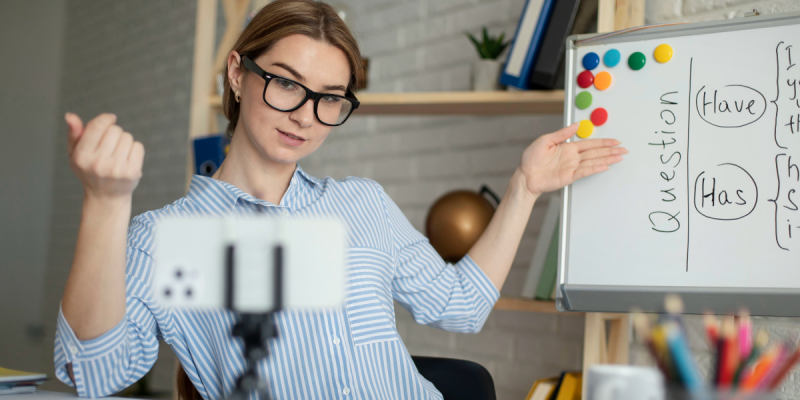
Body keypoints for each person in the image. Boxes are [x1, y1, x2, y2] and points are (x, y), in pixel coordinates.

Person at [55, 0, 627, 398]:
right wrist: (105, 204)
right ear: (237, 73)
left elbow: (460, 305)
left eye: (331, 98)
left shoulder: (362, 206)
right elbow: (93, 375)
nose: (306, 115)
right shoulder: (166, 239)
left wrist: (525, 186)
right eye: (285, 83)